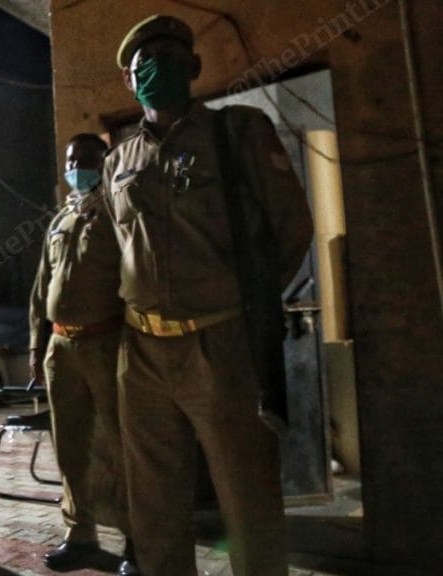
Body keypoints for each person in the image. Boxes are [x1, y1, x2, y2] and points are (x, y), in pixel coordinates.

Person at [103, 14, 314, 576]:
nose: (160, 70)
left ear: (193, 68)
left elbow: (292, 227)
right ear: (129, 79)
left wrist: (247, 301)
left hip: (221, 343)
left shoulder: (238, 131)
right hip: (142, 352)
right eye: (146, 64)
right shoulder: (117, 161)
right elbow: (115, 252)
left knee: (247, 497)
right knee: (154, 502)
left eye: (173, 59)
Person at [28, 133, 137, 574]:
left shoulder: (118, 211)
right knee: (70, 446)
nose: (77, 166)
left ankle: (138, 539)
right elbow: (40, 289)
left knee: (121, 444)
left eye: (87, 159)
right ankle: (80, 534)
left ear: (104, 160)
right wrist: (37, 346)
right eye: (72, 160)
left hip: (106, 343)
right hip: (61, 346)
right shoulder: (60, 219)